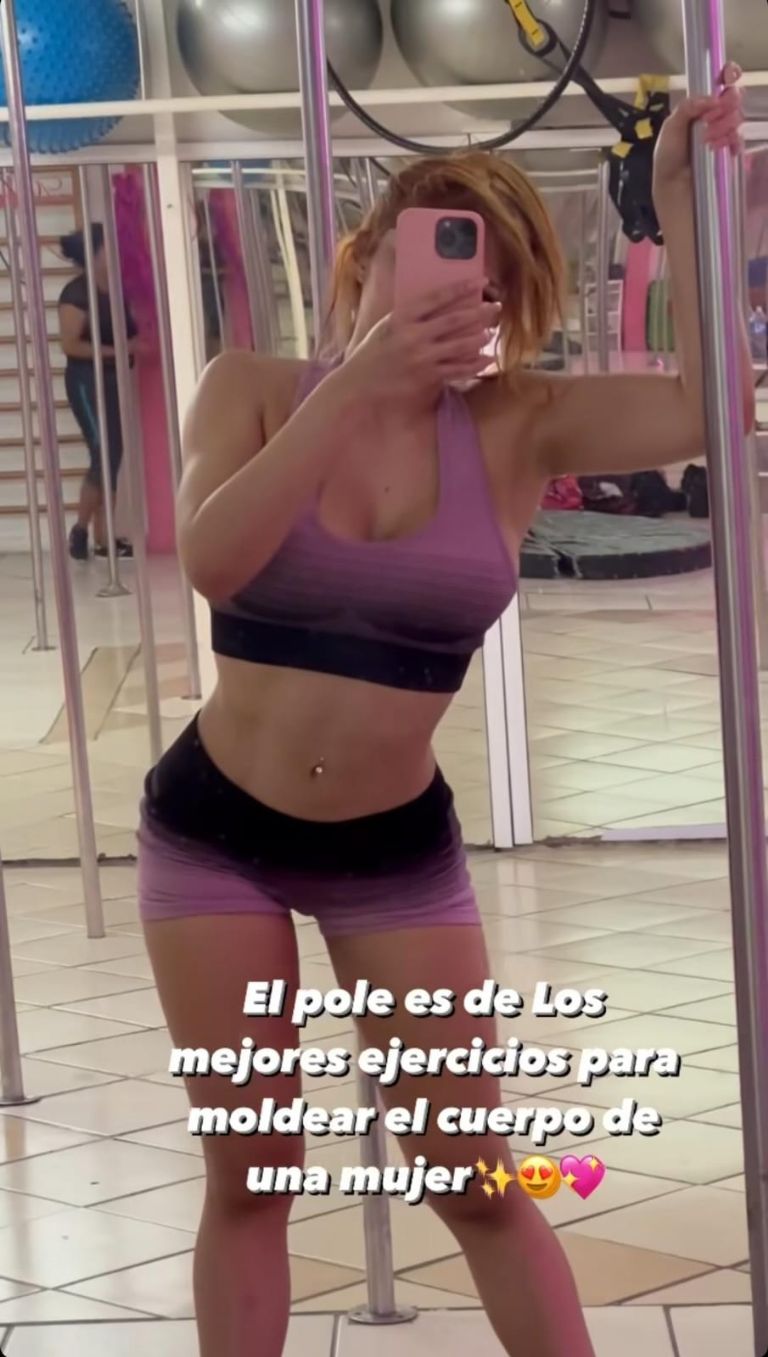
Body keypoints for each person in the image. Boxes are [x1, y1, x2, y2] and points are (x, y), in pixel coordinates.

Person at [138, 68, 750, 1357]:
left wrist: (686, 203)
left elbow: (714, 413)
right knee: (252, 1170)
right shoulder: (252, 386)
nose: (454, 304)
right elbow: (213, 559)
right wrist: (354, 387)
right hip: (213, 834)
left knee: (475, 1177)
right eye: (426, 268)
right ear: (362, 261)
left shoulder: (517, 422)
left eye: (487, 289)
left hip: (392, 851)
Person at [58, 225, 142, 560]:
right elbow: (70, 345)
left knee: (112, 455)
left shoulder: (117, 290)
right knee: (103, 454)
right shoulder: (76, 293)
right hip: (86, 382)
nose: (116, 251)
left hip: (112, 381)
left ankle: (104, 539)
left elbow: (130, 334)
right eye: (109, 246)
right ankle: (81, 531)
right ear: (94, 253)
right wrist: (119, 350)